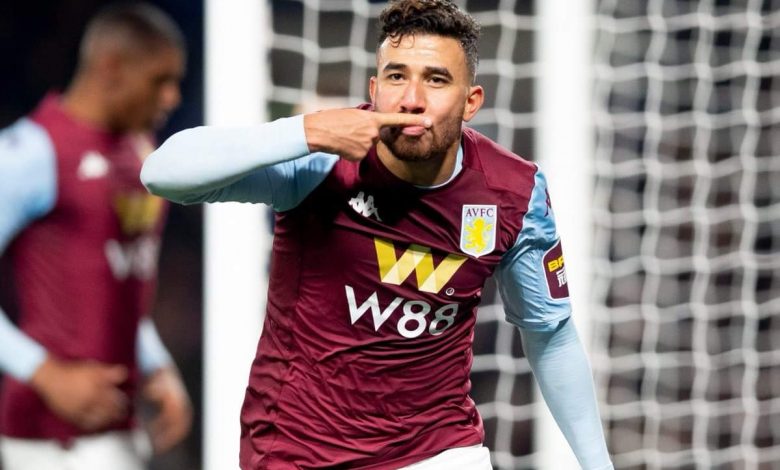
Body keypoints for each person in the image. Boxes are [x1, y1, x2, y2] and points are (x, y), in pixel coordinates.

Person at [143, 0, 612, 468]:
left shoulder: (515, 194)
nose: (411, 99)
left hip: (435, 449)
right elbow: (162, 173)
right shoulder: (320, 160)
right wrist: (304, 130)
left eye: (436, 80)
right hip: (297, 449)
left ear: (471, 101)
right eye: (396, 76)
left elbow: (550, 334)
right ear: (374, 89)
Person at [0, 3, 192, 469]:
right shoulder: (33, 152)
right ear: (111, 68)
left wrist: (156, 364)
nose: (171, 98)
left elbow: (117, 286)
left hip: (118, 427)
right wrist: (45, 373)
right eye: (160, 81)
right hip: (49, 437)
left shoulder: (140, 155)